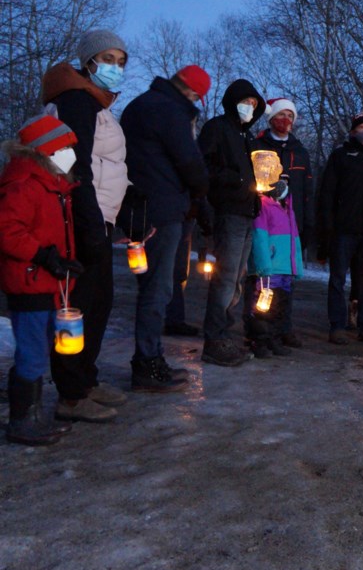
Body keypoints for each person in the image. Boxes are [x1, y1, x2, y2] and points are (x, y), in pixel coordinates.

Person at [41, 29, 129, 422]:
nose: (115, 68)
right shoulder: (77, 101)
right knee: (77, 308)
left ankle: (85, 380)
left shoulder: (96, 103)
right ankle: (71, 394)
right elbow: (75, 167)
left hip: (99, 218)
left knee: (97, 305)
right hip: (81, 220)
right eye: (108, 59)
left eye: (121, 62)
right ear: (89, 61)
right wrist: (90, 222)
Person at [121, 65, 211, 391]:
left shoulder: (139, 105)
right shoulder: (169, 111)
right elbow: (190, 161)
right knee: (158, 289)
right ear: (192, 92)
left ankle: (148, 357)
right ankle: (147, 362)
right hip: (163, 210)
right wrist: (200, 189)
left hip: (140, 209)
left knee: (152, 286)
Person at [1, 115, 83, 445]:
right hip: (30, 281)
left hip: (48, 280)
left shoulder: (53, 185)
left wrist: (62, 261)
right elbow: (7, 230)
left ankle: (29, 412)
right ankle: (22, 420)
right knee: (33, 351)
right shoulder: (24, 184)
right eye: (64, 147)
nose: (69, 153)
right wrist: (43, 256)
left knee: (40, 347)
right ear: (45, 149)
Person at [199, 79, 266, 366]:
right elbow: (203, 165)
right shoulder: (217, 128)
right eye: (245, 102)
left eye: (254, 104)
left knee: (237, 278)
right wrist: (236, 180)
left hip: (247, 212)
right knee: (226, 278)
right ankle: (215, 339)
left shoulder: (248, 137)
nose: (249, 108)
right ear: (232, 101)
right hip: (227, 211)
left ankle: (224, 335)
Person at [317, 112, 363, 345]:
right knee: (338, 278)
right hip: (343, 228)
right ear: (352, 132)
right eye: (361, 128)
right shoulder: (340, 156)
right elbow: (327, 194)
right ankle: (337, 325)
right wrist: (327, 227)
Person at [253, 98, 313, 348]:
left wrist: (307, 221)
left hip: (291, 221)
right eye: (281, 115)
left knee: (286, 280)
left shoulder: (300, 151)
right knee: (264, 280)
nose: (285, 121)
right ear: (271, 118)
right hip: (265, 218)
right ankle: (260, 331)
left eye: (290, 116)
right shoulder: (258, 145)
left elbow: (307, 189)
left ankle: (283, 328)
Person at [245, 178, 303, 357]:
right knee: (264, 307)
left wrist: (297, 266)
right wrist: (263, 264)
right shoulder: (263, 206)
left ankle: (274, 339)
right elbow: (259, 237)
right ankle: (260, 341)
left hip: (286, 268)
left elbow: (295, 242)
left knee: (280, 306)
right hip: (270, 269)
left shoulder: (288, 210)